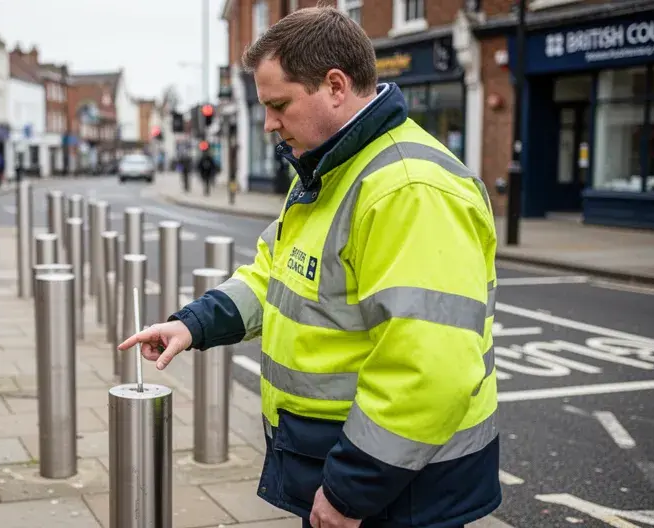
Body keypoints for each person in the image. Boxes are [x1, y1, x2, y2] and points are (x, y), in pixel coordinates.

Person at [118, 7, 500, 528]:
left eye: (278, 105)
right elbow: (274, 274)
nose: (271, 123)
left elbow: (429, 368)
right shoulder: (328, 170)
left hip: (402, 491)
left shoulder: (409, 189)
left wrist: (351, 491)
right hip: (353, 468)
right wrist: (195, 324)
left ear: (336, 86)